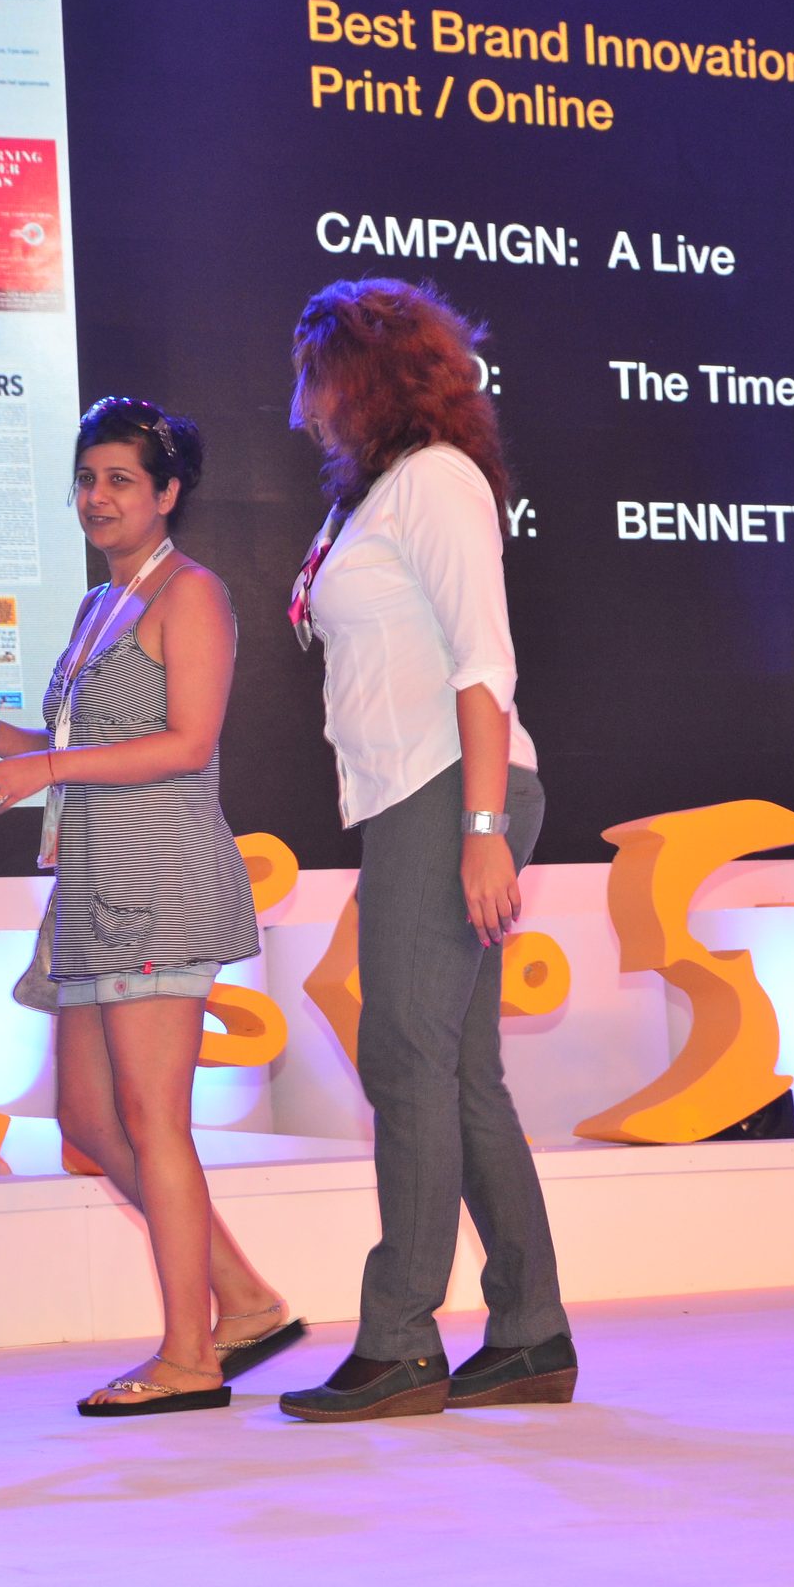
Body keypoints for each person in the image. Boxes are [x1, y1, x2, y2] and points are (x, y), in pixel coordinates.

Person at [0, 397, 296, 1417]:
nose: (97, 499)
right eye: (87, 480)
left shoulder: (193, 595)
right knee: (91, 1119)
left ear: (167, 493)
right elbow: (87, 744)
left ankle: (190, 1357)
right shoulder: (100, 601)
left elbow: (187, 743)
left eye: (121, 482)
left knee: (153, 1124)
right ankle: (243, 1300)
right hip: (94, 886)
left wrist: (49, 765)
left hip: (159, 882)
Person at [274, 279, 577, 1422]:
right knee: (454, 1070)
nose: (300, 407)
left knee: (402, 1055)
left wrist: (482, 831)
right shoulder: (373, 496)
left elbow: (483, 660)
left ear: (369, 377)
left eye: (314, 379)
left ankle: (401, 1340)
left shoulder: (437, 481)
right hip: (413, 794)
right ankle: (531, 1332)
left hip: (452, 791)